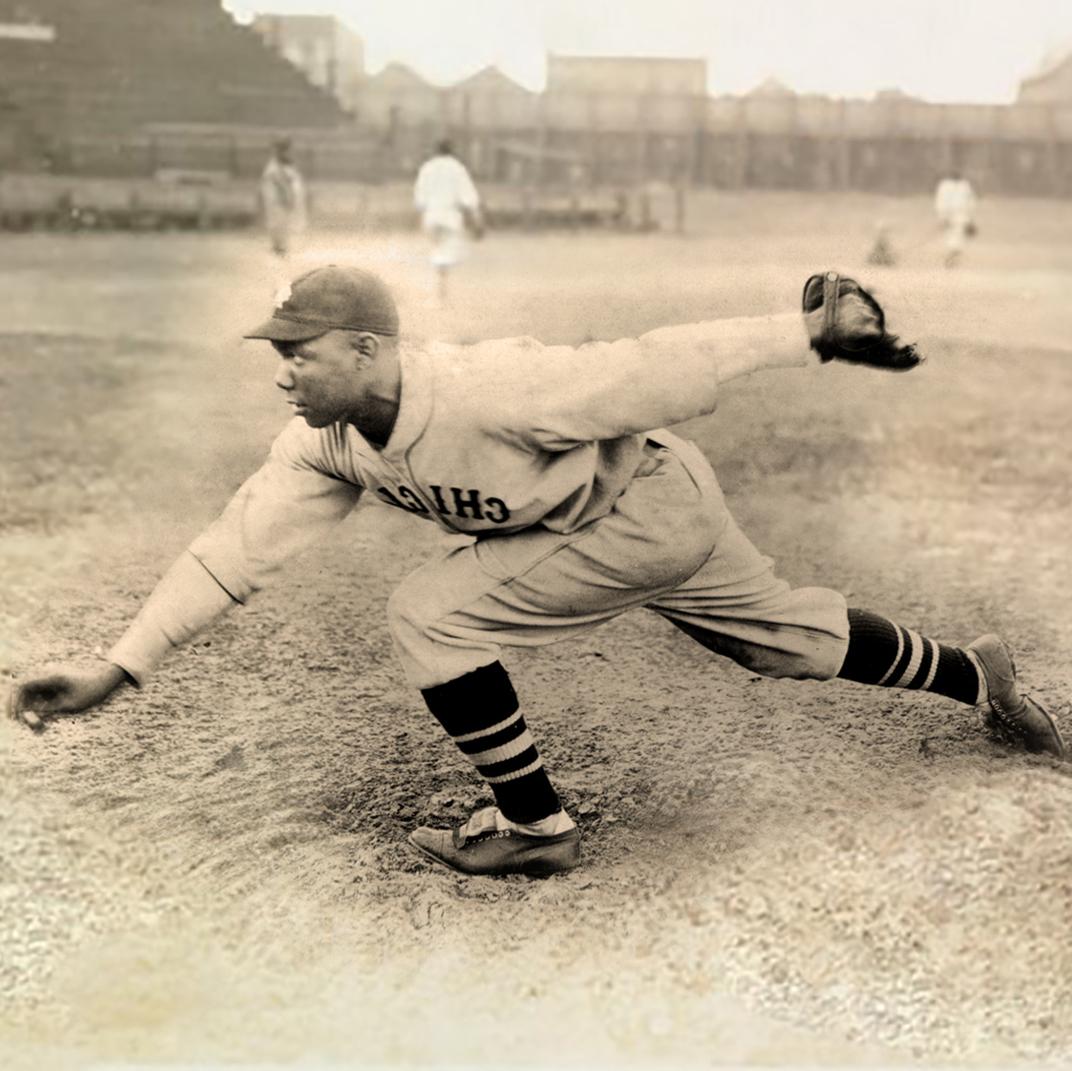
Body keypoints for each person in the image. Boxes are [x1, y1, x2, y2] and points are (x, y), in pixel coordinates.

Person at [8, 266, 1065, 879]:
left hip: (644, 507)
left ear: (372, 351)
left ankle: (534, 829)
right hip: (629, 516)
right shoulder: (326, 442)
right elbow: (232, 549)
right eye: (276, 352)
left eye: (304, 350)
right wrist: (123, 666)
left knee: (432, 613)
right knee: (781, 639)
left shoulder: (487, 386)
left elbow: (654, 360)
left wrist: (807, 332)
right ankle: (979, 675)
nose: (284, 371)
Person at [413, 139, 483, 303]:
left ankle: (437, 289)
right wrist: (476, 217)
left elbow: (420, 199)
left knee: (437, 249)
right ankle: (441, 291)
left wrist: (420, 217)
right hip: (450, 217)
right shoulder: (458, 168)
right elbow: (468, 197)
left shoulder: (427, 168)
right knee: (446, 252)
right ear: (452, 151)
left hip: (431, 216)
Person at [260, 137, 307, 259]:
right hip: (277, 199)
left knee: (284, 223)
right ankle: (279, 247)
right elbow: (281, 183)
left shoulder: (286, 164)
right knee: (279, 222)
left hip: (282, 198)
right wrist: (287, 196)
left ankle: (281, 247)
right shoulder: (275, 166)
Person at [934, 171, 977, 269]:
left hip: (962, 216)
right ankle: (951, 259)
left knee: (960, 239)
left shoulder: (965, 185)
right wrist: (943, 217)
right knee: (952, 239)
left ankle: (952, 258)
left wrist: (970, 219)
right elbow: (940, 201)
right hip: (949, 216)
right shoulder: (945, 186)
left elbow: (971, 201)